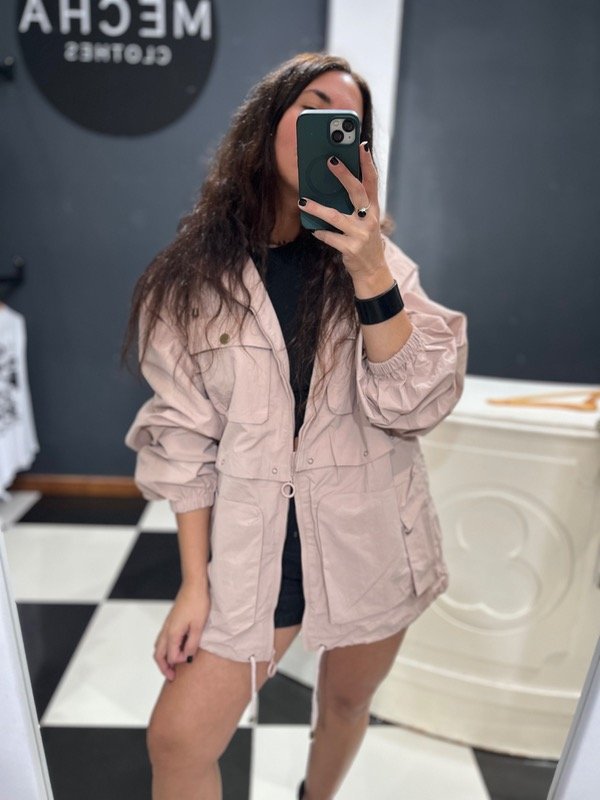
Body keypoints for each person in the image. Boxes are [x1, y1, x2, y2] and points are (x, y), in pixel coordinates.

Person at [122, 52, 468, 800]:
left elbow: (417, 406)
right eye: (313, 108)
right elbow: (184, 440)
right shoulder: (198, 277)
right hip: (258, 544)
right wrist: (193, 584)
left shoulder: (382, 265)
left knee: (344, 702)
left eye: (348, 123)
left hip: (369, 532)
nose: (329, 128)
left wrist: (369, 271)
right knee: (178, 740)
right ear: (267, 122)